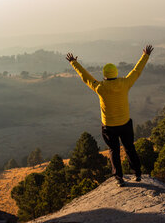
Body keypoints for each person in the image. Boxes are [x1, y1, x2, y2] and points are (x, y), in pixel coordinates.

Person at [66, 45, 153, 187]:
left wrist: (74, 63)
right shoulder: (125, 83)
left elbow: (85, 77)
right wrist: (145, 55)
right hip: (125, 123)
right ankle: (137, 173)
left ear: (104, 75)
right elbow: (137, 71)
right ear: (116, 73)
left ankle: (119, 177)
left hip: (109, 126)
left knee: (114, 150)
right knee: (129, 147)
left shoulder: (100, 87)